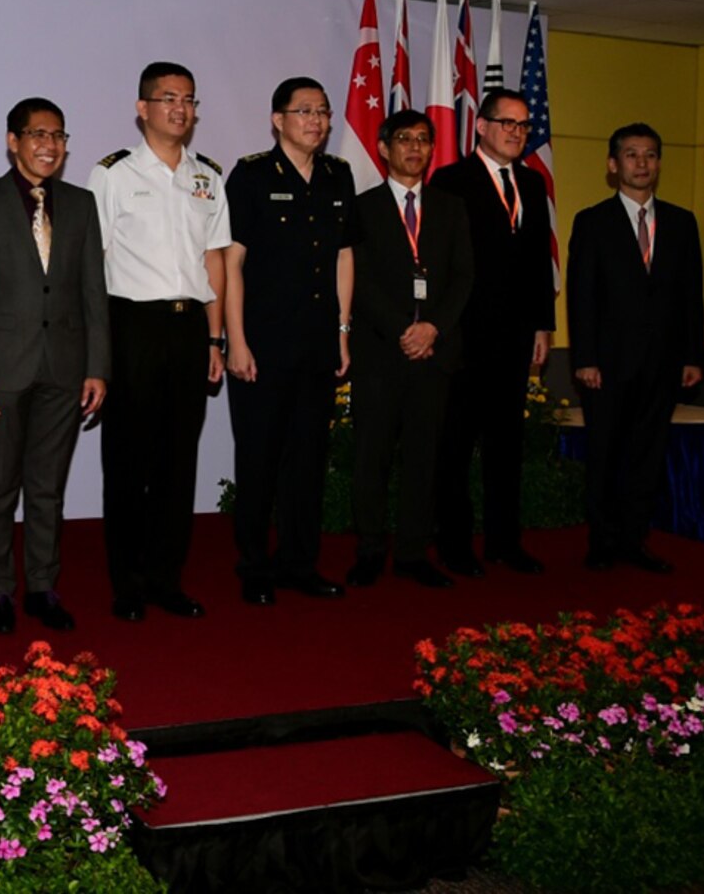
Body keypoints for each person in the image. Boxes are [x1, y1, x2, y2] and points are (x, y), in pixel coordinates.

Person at [0, 98, 109, 633]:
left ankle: (43, 586)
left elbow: (95, 292)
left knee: (47, 487)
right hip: (0, 371)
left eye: (59, 135)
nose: (50, 145)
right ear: (13, 141)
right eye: (38, 134)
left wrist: (98, 367)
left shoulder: (83, 204)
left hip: (66, 370)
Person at [87, 62, 227, 623]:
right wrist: (97, 348)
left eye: (189, 99)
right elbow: (92, 266)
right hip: (131, 326)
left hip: (190, 327)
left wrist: (216, 337)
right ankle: (128, 581)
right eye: (168, 98)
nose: (180, 109)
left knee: (178, 461)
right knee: (127, 460)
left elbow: (213, 261)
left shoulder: (207, 177)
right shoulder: (113, 173)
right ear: (142, 108)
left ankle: (167, 577)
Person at [223, 77, 359, 605]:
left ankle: (300, 562)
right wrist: (235, 339)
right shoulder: (252, 175)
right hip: (262, 343)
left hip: (319, 342)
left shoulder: (337, 175)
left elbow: (345, 256)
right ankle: (254, 566)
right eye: (304, 111)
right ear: (277, 119)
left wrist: (343, 332)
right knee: (259, 459)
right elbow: (232, 263)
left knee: (308, 458)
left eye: (323, 112)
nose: (316, 121)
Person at [428, 87, 555, 576]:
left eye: (523, 125)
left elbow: (538, 265)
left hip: (516, 336)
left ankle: (505, 542)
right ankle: (455, 546)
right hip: (462, 337)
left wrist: (544, 324)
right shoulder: (451, 180)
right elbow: (441, 262)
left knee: (506, 446)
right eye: (507, 123)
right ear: (480, 126)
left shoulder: (533, 183)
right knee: (455, 446)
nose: (516, 132)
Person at [567, 123, 703, 574]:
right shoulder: (592, 222)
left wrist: (692, 356)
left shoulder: (683, 223)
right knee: (605, 454)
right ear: (613, 165)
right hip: (606, 365)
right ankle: (602, 541)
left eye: (649, 155)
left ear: (658, 164)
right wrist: (584, 357)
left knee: (648, 455)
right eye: (631, 155)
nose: (641, 163)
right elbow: (581, 294)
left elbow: (691, 295)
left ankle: (634, 540)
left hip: (664, 364)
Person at [345, 111, 473, 589]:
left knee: (425, 457)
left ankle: (414, 552)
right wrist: (405, 328)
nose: (415, 148)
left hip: (435, 354)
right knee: (371, 456)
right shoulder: (361, 207)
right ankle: (371, 549)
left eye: (423, 140)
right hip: (381, 352)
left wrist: (432, 327)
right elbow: (358, 278)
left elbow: (464, 276)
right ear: (383, 148)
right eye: (404, 139)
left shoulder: (450, 207)